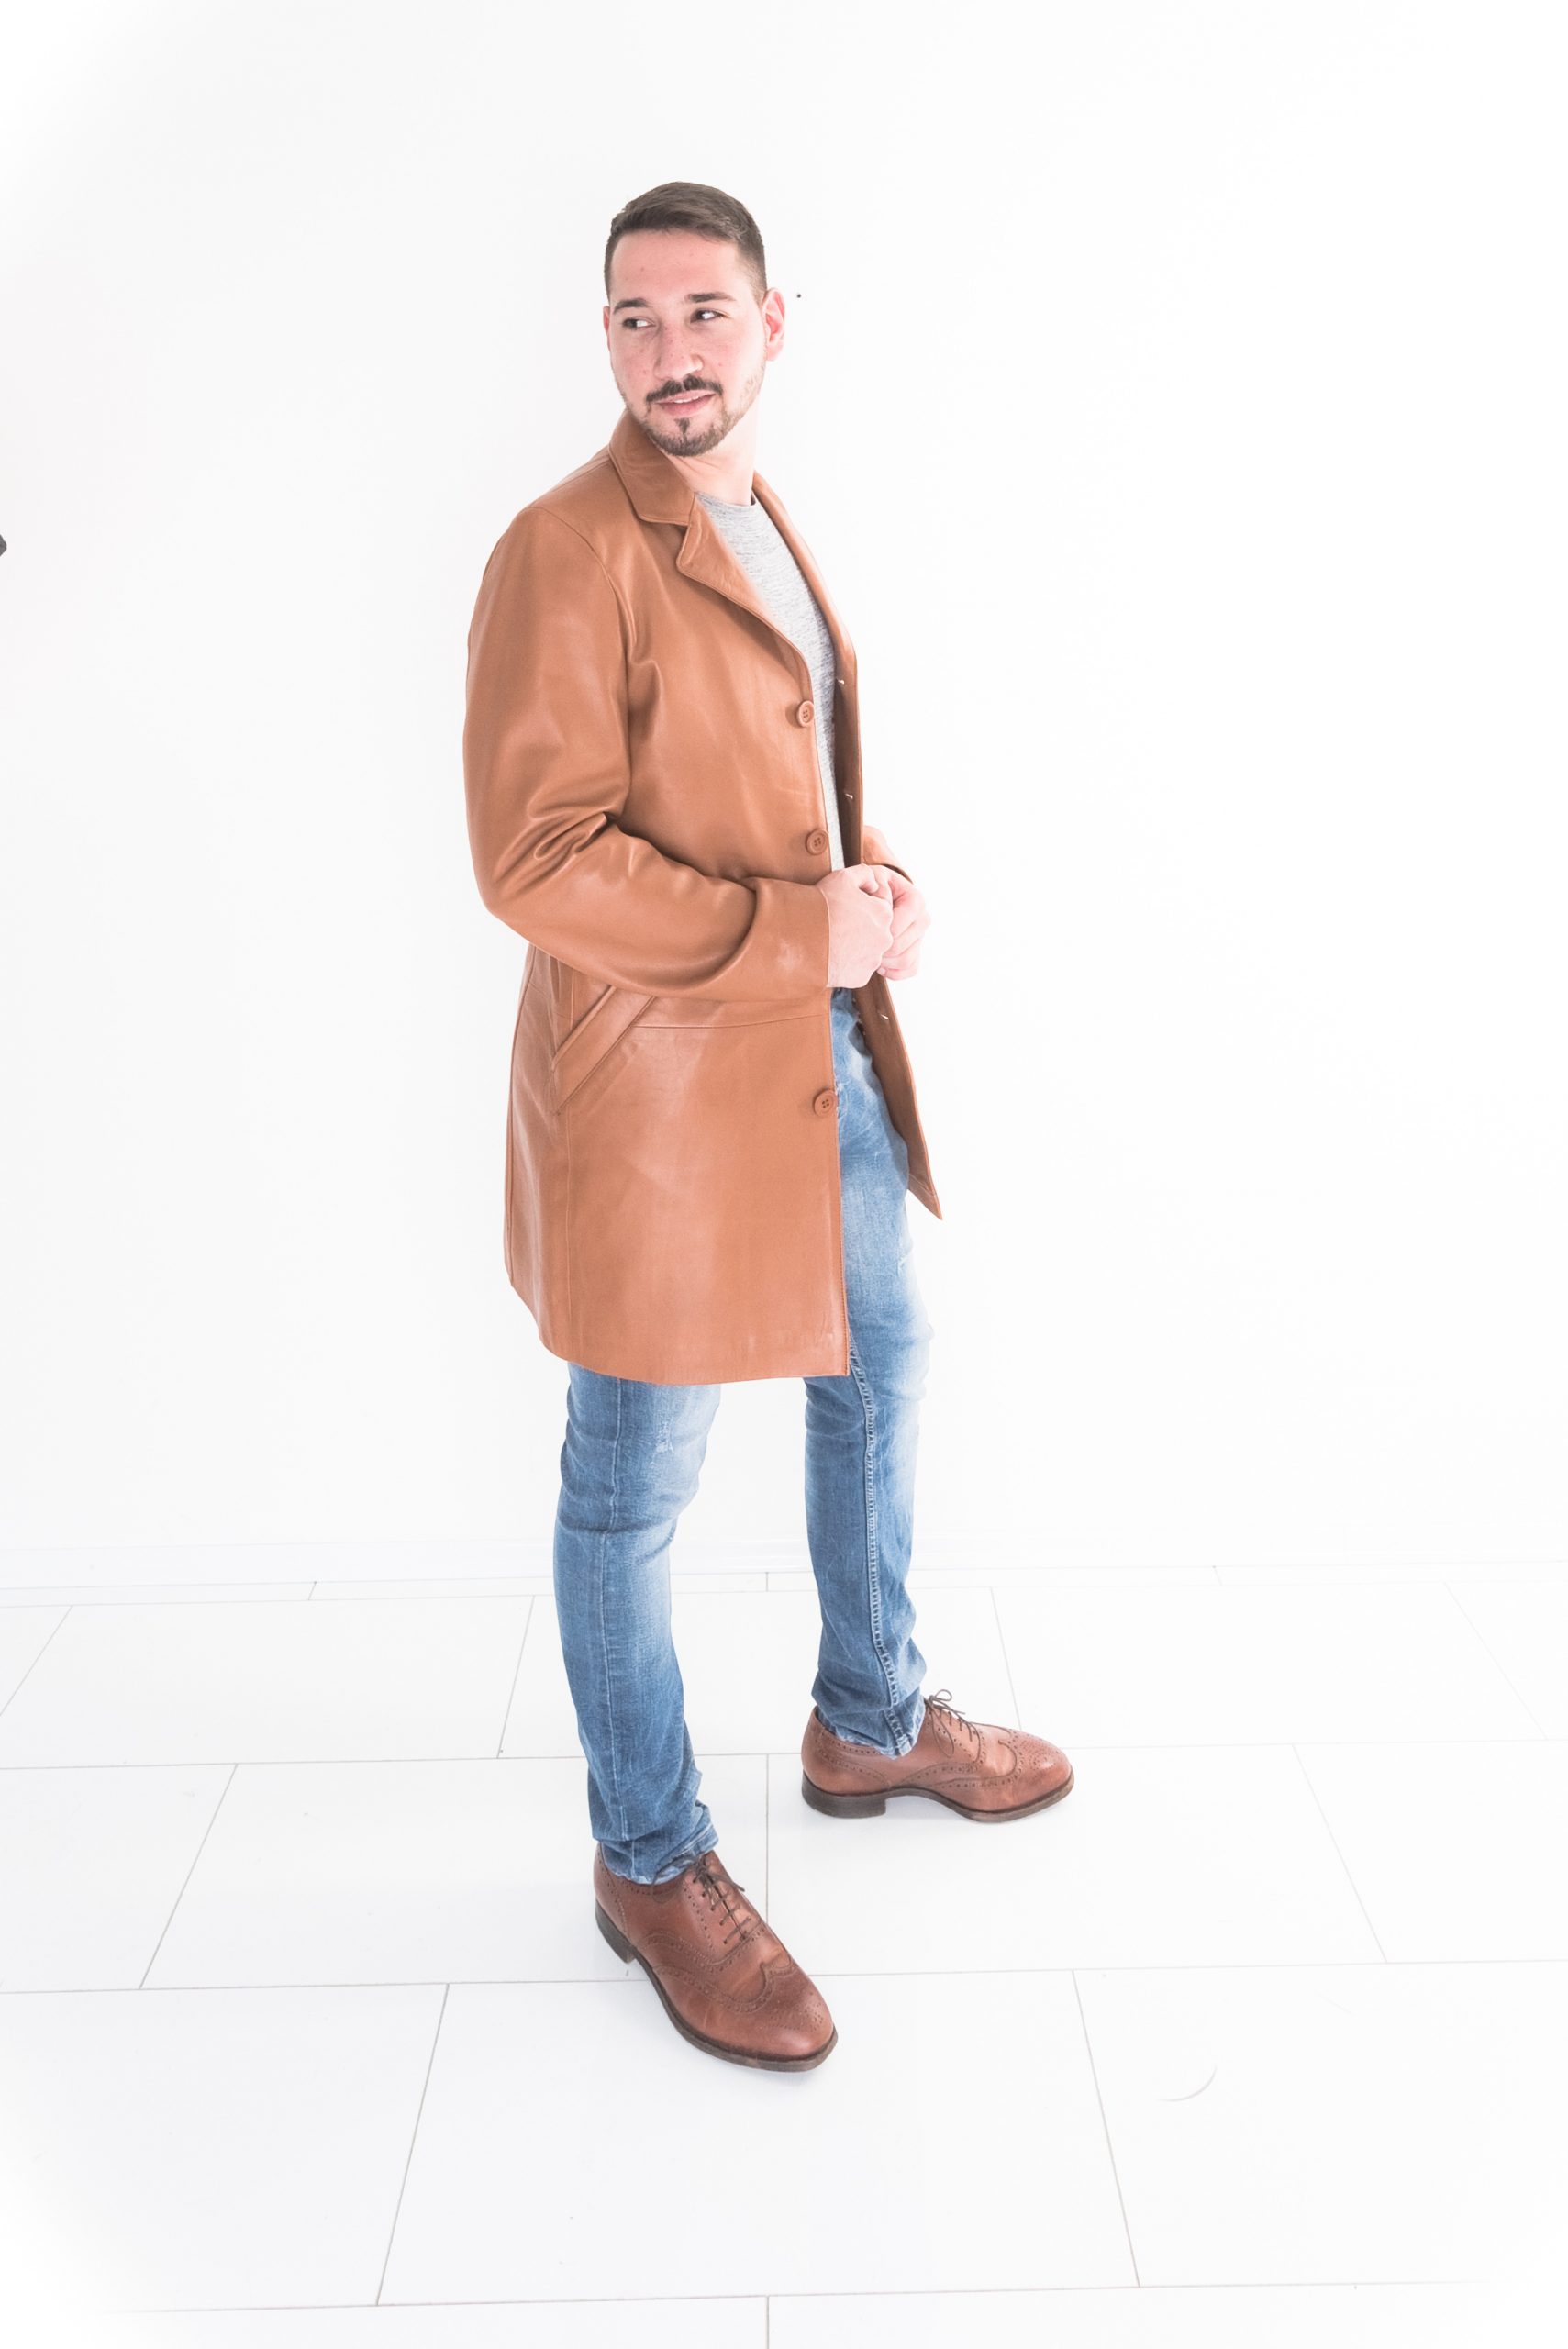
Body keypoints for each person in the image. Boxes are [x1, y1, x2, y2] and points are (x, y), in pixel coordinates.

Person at [462, 181, 1073, 2072]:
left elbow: (767, 776)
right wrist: (807, 929)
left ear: (772, 322)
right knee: (630, 1485)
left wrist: (866, 883)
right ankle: (649, 1858)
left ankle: (869, 1717)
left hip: (818, 1054)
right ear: (604, 336)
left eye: (704, 313)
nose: (672, 354)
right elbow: (534, 857)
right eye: (635, 319)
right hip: (659, 1100)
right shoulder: (564, 548)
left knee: (879, 1368)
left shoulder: (752, 509)